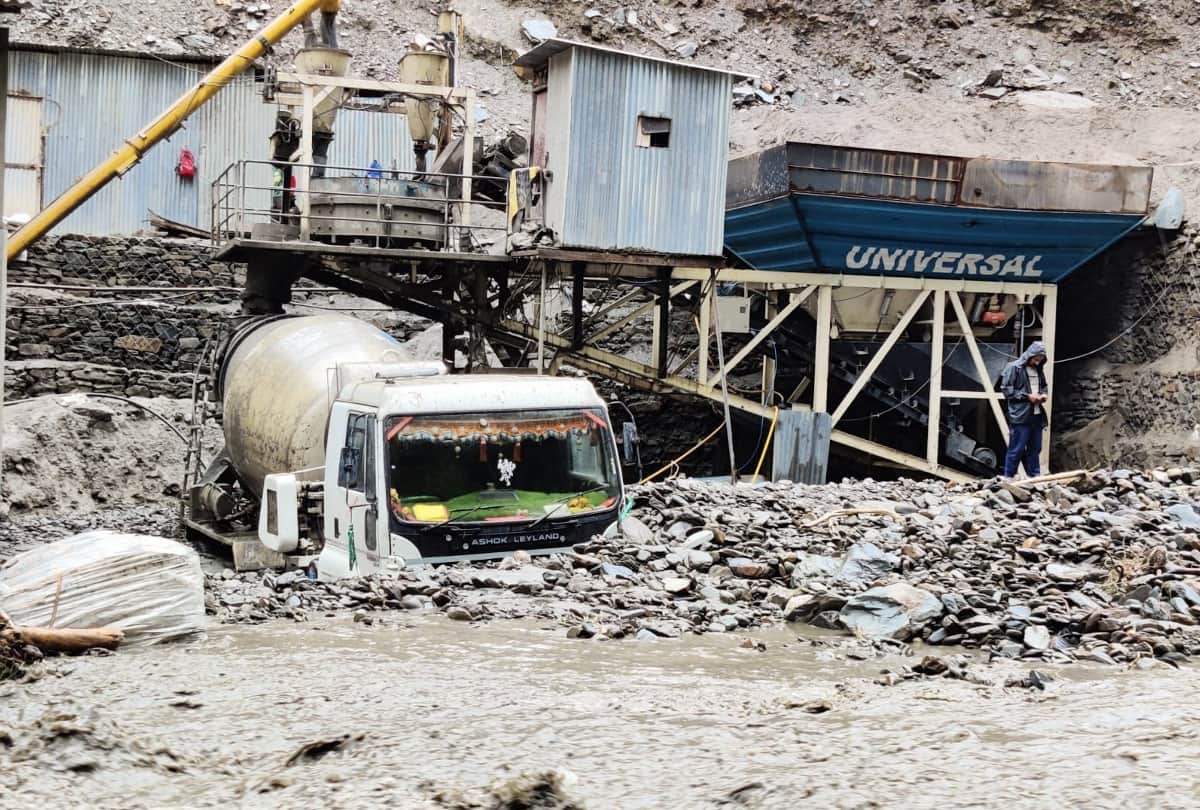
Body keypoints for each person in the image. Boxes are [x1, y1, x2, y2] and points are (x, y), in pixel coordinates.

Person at [1000, 340, 1049, 478]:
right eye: (1036, 359)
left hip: (1037, 414)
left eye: (1040, 360)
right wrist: (1027, 397)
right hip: (1020, 416)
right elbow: (1006, 390)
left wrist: (1043, 394)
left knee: (1035, 448)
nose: (1038, 362)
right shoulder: (1013, 368)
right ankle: (1008, 477)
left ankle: (1035, 476)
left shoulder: (1039, 370)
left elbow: (1044, 385)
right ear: (1029, 355)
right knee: (1017, 448)